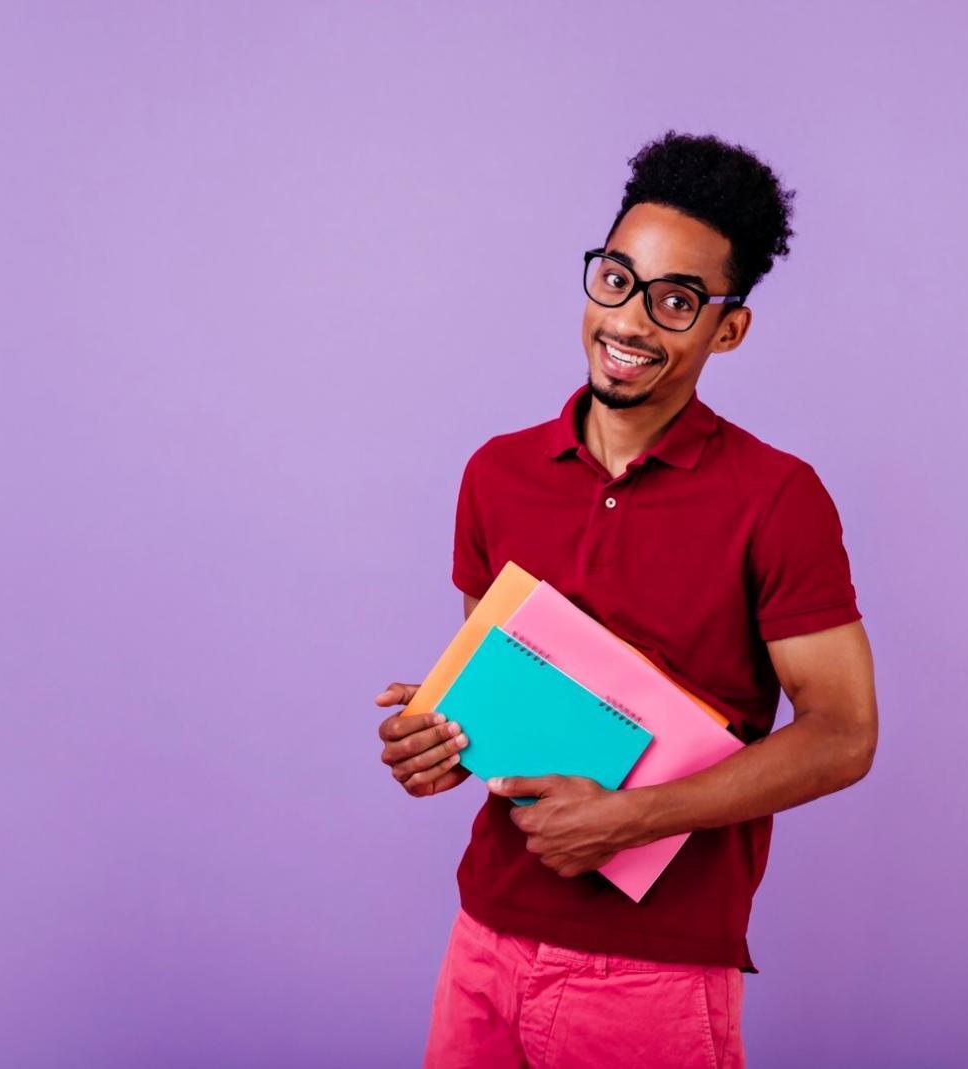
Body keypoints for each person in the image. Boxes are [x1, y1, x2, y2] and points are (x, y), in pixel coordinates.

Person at [376, 130, 879, 1069]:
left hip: (653, 973)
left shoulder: (778, 498)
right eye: (617, 278)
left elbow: (844, 733)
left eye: (676, 300)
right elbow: (498, 695)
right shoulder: (498, 473)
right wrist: (439, 737)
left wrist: (629, 816)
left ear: (727, 328)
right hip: (483, 937)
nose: (632, 321)